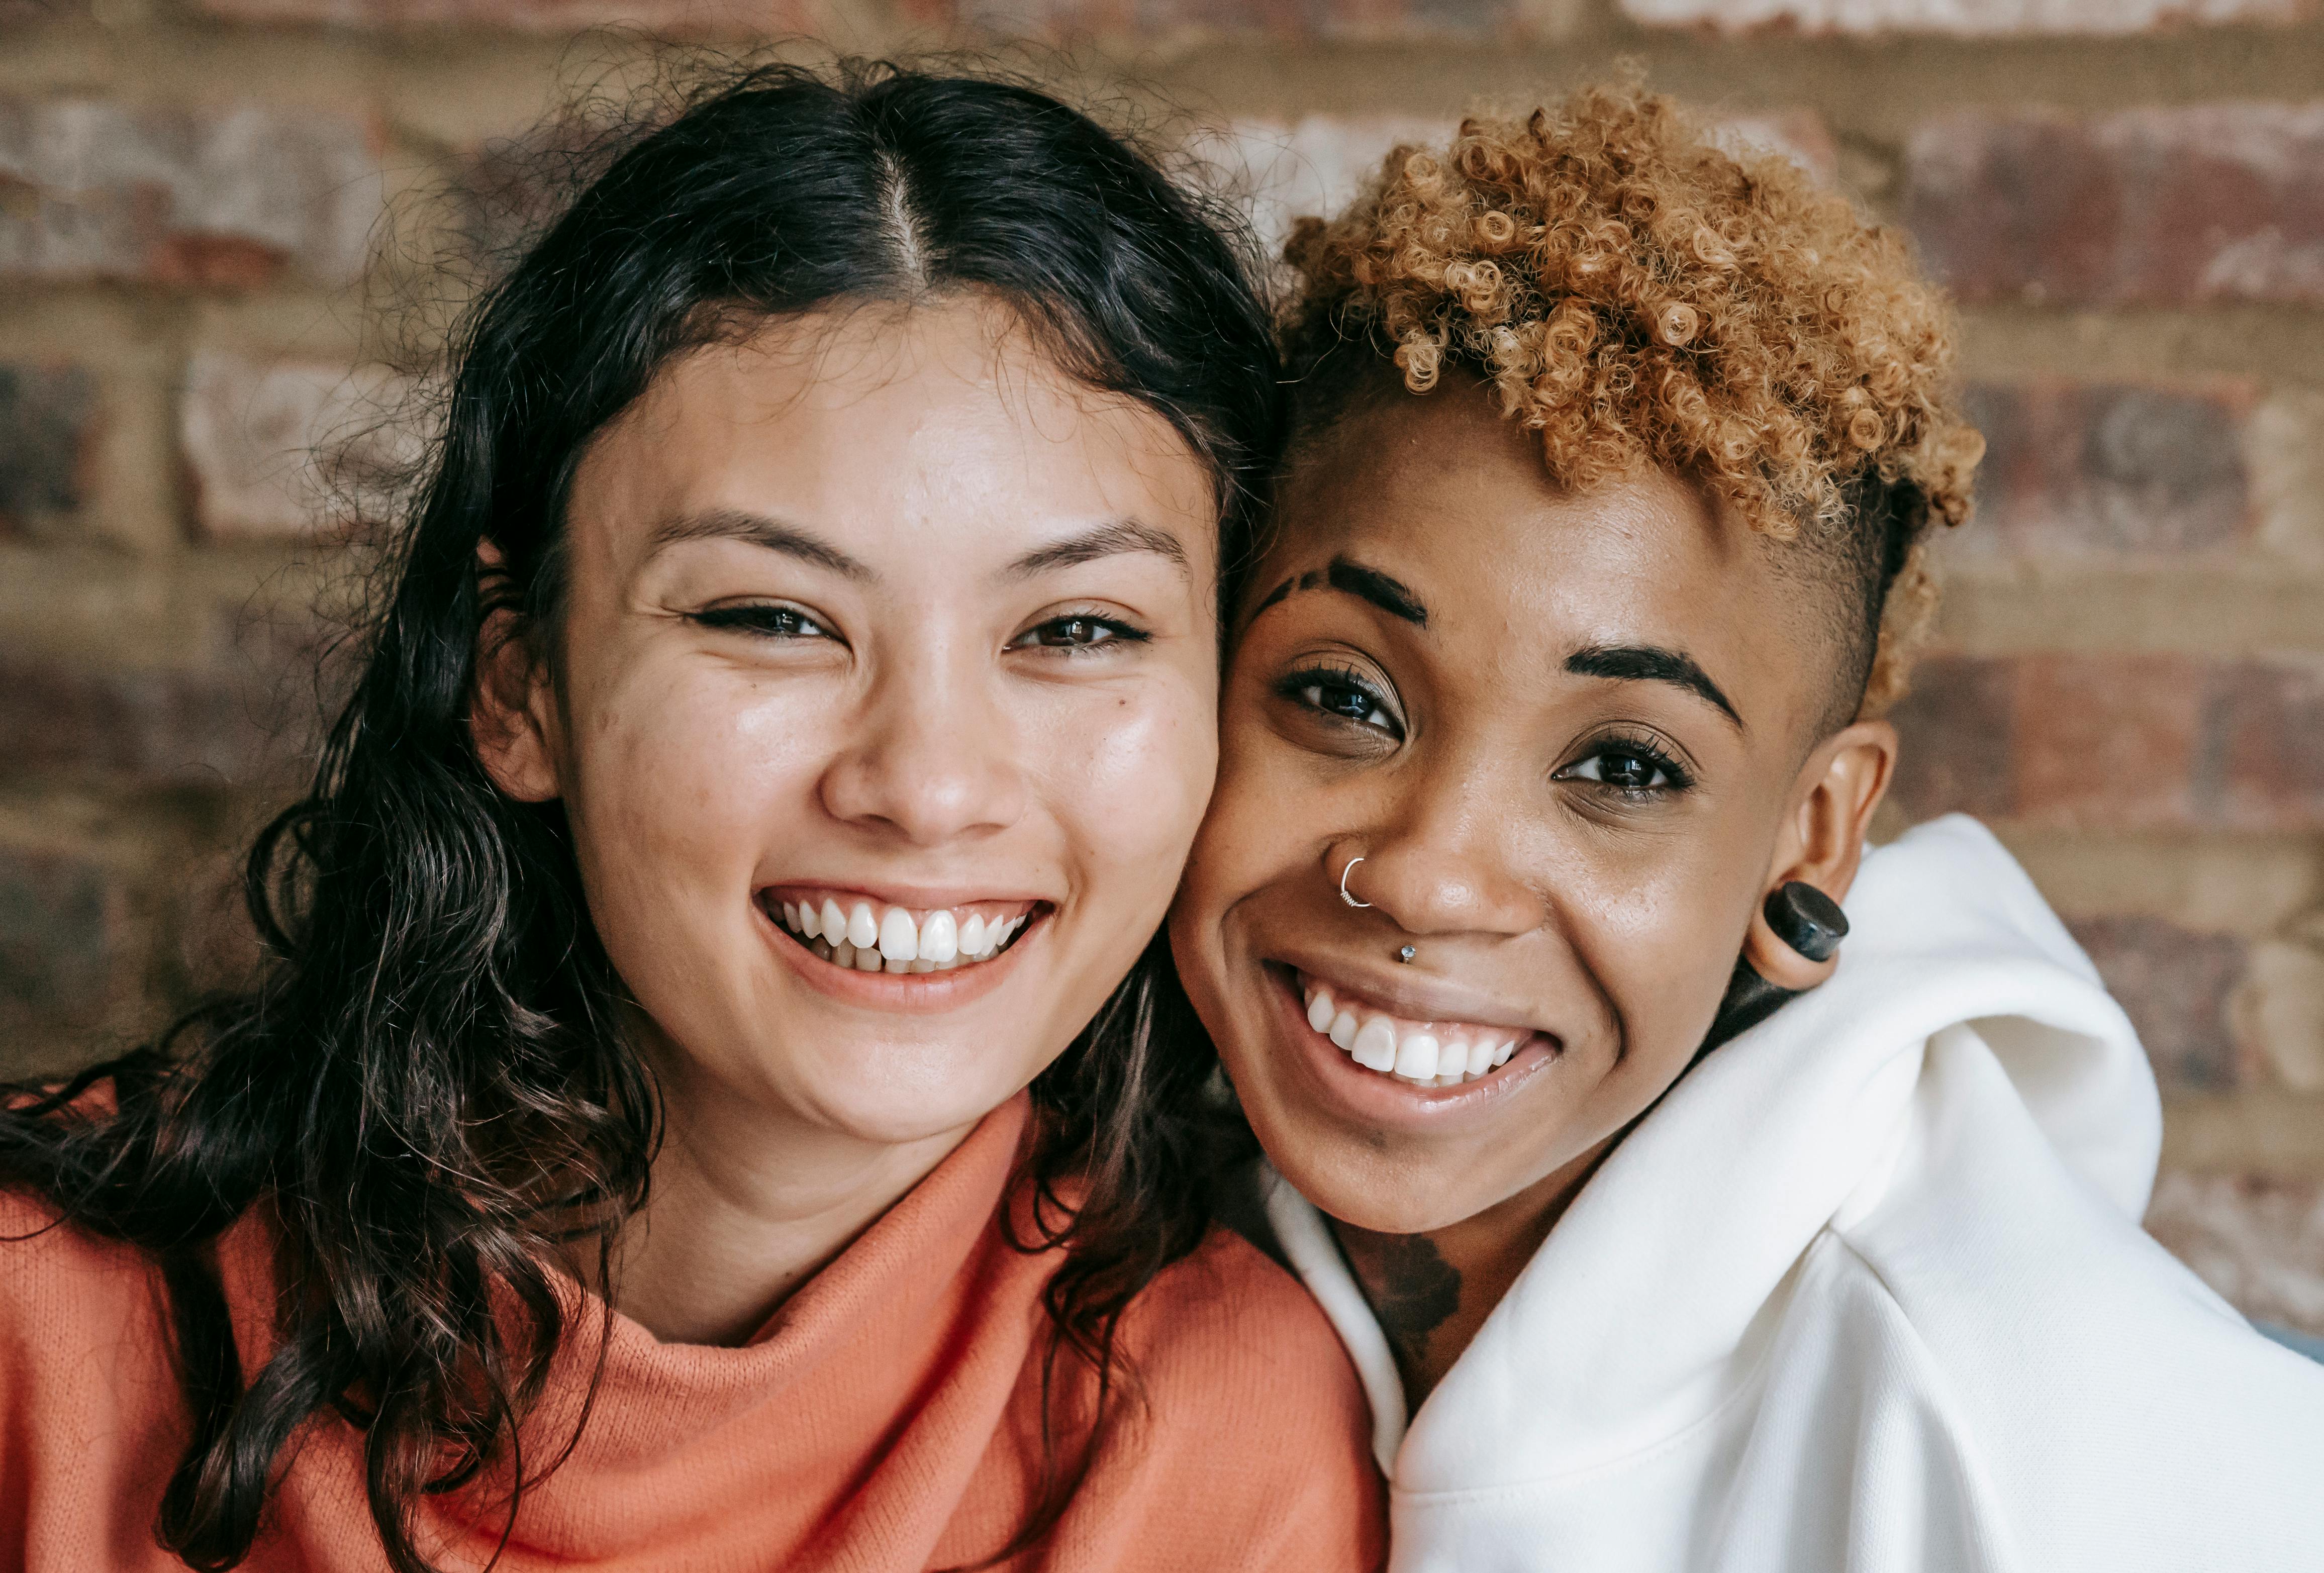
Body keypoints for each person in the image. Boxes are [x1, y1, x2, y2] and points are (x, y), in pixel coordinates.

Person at [0, 64, 1383, 1572]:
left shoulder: (1231, 1438)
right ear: (519, 684)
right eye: (774, 615)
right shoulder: (38, 1325)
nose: (926, 789)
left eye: (1078, 630)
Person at [1169, 82, 2324, 1570]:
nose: (1431, 870)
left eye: (1629, 770)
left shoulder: (2041, 1433)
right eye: (1342, 693)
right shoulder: (1139, 1194)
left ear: (1815, 830)